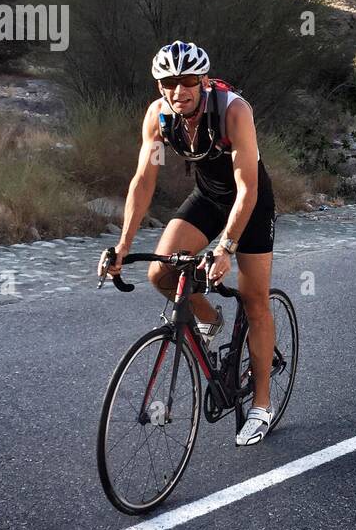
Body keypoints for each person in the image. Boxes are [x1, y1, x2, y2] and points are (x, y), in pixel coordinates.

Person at [98, 41, 277, 446]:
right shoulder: (159, 116)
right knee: (160, 272)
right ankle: (209, 320)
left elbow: (247, 188)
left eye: (188, 81)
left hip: (250, 202)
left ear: (204, 81)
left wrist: (226, 247)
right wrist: (123, 243)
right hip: (210, 198)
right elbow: (144, 180)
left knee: (254, 299)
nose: (179, 91)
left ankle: (261, 405)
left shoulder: (234, 111)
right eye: (169, 82)